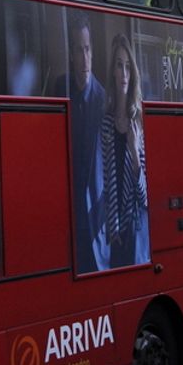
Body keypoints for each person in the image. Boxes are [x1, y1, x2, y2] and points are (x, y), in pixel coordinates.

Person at [57, 15, 108, 271]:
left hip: (94, 221)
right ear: (71, 54)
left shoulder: (103, 100)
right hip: (67, 214)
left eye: (88, 49)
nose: (85, 58)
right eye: (79, 50)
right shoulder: (59, 89)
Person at [100, 34, 149, 267]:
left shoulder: (138, 122)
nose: (124, 73)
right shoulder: (106, 123)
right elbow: (105, 183)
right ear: (113, 71)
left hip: (136, 229)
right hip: (113, 230)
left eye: (128, 66)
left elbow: (145, 197)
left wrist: (134, 151)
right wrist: (111, 226)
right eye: (119, 66)